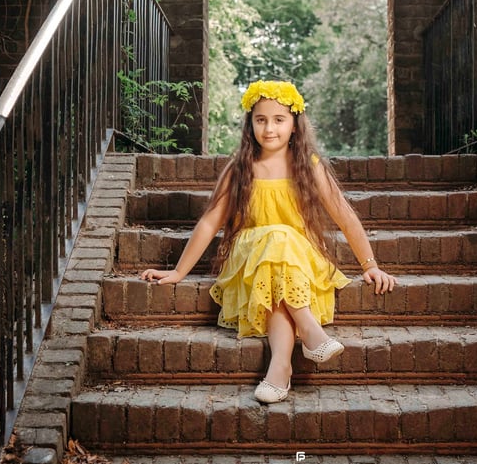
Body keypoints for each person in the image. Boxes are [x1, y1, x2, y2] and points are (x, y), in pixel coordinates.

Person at [140, 80, 397, 403]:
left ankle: (280, 368)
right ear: (250, 124)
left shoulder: (308, 166)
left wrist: (370, 265)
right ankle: (309, 330)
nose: (269, 128)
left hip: (297, 262)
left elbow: (344, 214)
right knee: (275, 242)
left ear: (294, 125)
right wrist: (178, 272)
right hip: (250, 259)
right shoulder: (241, 168)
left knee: (278, 279)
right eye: (261, 120)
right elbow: (209, 222)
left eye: (279, 120)